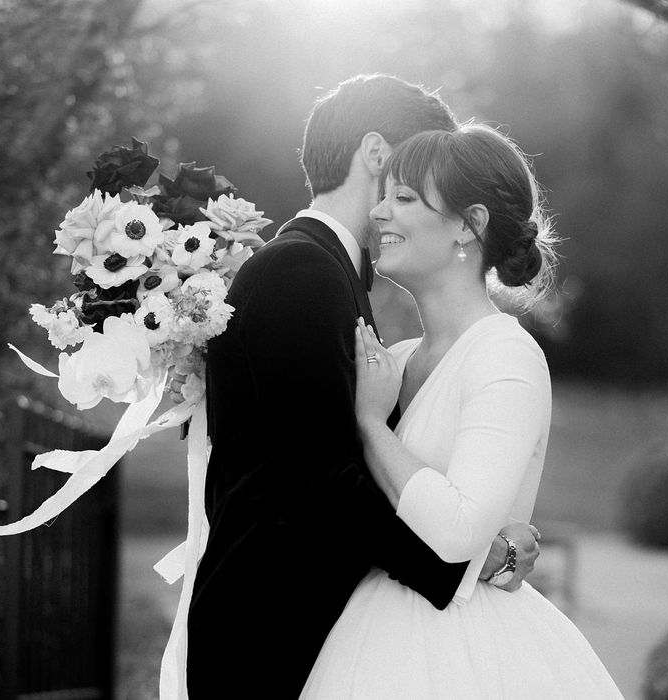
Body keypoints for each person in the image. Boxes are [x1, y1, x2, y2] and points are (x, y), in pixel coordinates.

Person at [179, 75, 542, 698]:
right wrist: (463, 563)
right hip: (265, 635)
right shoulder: (303, 271)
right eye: (406, 178)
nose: (392, 209)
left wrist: (497, 531)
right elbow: (322, 480)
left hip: (307, 636)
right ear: (377, 154)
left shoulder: (336, 281)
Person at [300, 125, 623, 699]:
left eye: (403, 199)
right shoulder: (393, 363)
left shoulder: (506, 355)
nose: (378, 213)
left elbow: (455, 532)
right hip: (366, 632)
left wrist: (372, 425)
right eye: (383, 195)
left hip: (459, 650)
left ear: (469, 225)